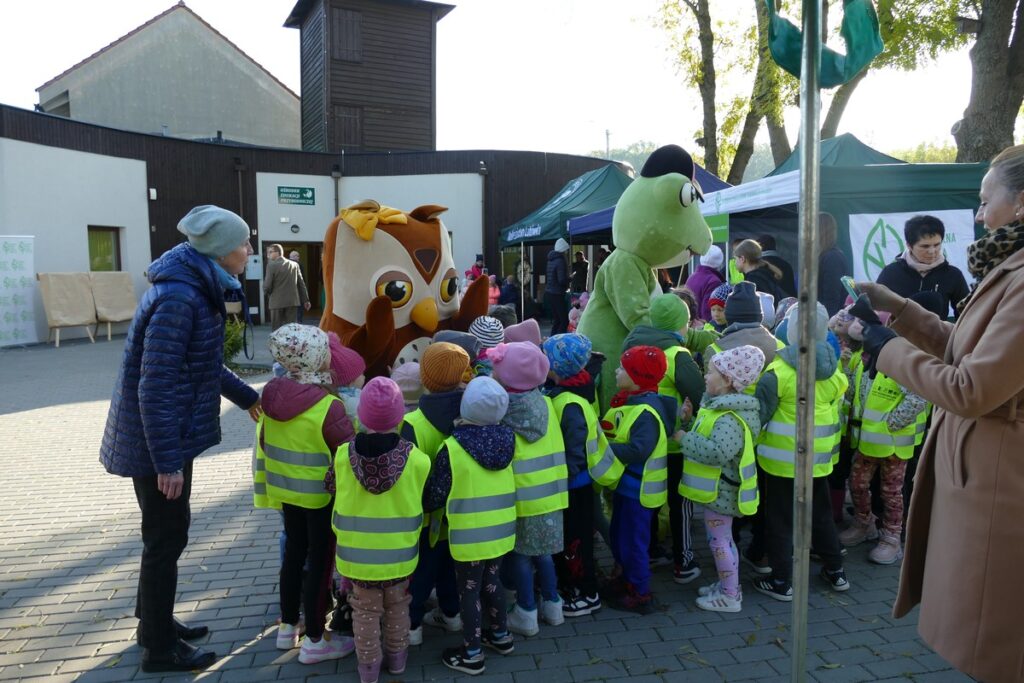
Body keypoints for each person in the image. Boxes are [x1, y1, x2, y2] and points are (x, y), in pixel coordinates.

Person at [850, 144, 1024, 683]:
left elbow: (972, 387)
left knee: (995, 646)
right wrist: (898, 310)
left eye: (983, 199)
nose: (977, 214)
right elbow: (963, 347)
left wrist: (882, 345)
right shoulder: (1009, 267)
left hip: (1002, 487)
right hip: (984, 477)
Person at [100, 205, 260, 673]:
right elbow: (157, 384)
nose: (248, 250)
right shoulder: (180, 299)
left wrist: (249, 396)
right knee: (165, 540)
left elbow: (202, 363)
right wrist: (167, 462)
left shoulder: (194, 287)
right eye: (243, 244)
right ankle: (160, 649)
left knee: (165, 536)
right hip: (156, 445)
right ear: (219, 251)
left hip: (162, 439)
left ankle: (153, 623)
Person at [261, 324, 356, 664]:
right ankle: (316, 639)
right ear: (317, 357)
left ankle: (288, 626)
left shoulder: (271, 396)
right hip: (320, 498)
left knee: (292, 556)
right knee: (320, 562)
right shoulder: (327, 406)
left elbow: (263, 441)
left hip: (286, 492)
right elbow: (347, 450)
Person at [750, 303, 849, 601]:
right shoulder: (835, 370)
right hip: (818, 459)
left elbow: (759, 417)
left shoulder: (777, 373)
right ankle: (836, 570)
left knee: (779, 519)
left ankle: (782, 580)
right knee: (820, 514)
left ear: (790, 331)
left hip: (781, 461)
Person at [423, 377, 517, 675]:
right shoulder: (508, 439)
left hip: (469, 534)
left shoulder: (452, 447)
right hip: (500, 528)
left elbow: (436, 494)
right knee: (493, 581)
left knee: (469, 590)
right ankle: (501, 635)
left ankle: (472, 652)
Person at [622, 295, 705, 585]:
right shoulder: (677, 354)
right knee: (680, 500)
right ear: (681, 325)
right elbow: (700, 393)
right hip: (673, 441)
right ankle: (684, 560)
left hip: (643, 439)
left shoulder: (633, 344)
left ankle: (651, 550)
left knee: (650, 500)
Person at [679, 345, 765, 613]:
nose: (705, 376)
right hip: (719, 491)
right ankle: (729, 585)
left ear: (728, 380)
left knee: (719, 542)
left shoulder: (729, 418)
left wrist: (684, 438)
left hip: (722, 492)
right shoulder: (720, 409)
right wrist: (689, 421)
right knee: (722, 540)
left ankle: (730, 596)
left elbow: (717, 452)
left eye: (712, 372)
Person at [490, 342, 567, 636]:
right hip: (551, 496)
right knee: (544, 554)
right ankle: (553, 603)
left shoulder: (502, 411)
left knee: (521, 556)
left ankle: (526, 611)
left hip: (521, 498)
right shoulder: (547, 404)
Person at [837, 324, 928, 565]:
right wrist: (846, 370)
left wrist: (891, 424)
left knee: (891, 492)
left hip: (894, 446)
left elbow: (918, 397)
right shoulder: (864, 364)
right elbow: (852, 394)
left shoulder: (898, 367)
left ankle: (891, 537)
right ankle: (864, 523)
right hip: (867, 443)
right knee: (856, 483)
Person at [401, 342, 471, 645]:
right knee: (447, 567)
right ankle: (452, 613)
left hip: (427, 518)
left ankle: (413, 625)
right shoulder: (474, 412)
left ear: (425, 379)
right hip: (463, 513)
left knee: (422, 572)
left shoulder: (412, 423)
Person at [602, 346, 674, 614]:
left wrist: (603, 449)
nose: (617, 371)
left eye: (623, 368)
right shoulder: (632, 401)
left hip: (640, 490)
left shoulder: (645, 411)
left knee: (634, 542)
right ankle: (624, 578)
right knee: (619, 535)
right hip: (627, 487)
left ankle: (640, 592)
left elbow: (638, 450)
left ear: (638, 376)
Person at [542, 333, 604, 617]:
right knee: (570, 538)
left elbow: (575, 447)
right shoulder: (569, 391)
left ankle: (586, 593)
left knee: (576, 541)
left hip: (575, 484)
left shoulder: (569, 402)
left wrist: (565, 476)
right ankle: (573, 585)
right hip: (572, 481)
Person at [875, 215, 970, 319]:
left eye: (937, 245)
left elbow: (967, 315)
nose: (932, 251)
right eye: (925, 246)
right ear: (909, 245)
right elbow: (875, 312)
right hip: (898, 334)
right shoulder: (890, 273)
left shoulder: (953, 274)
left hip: (937, 334)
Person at [264, 243, 310, 330]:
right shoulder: (295, 265)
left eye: (270, 252)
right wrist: (306, 300)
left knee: (277, 330)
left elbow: (267, 285)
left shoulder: (271, 265)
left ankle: (278, 344)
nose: (268, 255)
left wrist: (267, 293)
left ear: (277, 252)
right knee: (291, 330)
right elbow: (301, 284)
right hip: (292, 302)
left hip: (276, 302)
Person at [817, 213, 853, 316]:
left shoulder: (832, 258)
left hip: (830, 322)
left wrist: (828, 327)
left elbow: (832, 298)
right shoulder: (826, 256)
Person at [733, 239, 785, 303]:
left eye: (735, 259)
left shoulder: (753, 281)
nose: (734, 262)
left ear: (742, 259)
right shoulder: (764, 274)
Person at [685, 245, 726, 321]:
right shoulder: (714, 281)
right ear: (719, 262)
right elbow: (708, 312)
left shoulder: (692, 276)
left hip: (690, 323)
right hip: (702, 327)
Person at [545, 238, 571, 335]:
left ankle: (551, 341)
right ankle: (559, 342)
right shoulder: (560, 261)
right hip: (557, 293)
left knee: (557, 320)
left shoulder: (550, 260)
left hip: (549, 292)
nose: (566, 252)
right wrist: (570, 278)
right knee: (564, 320)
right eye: (566, 250)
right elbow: (561, 280)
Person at [289, 250, 305, 322]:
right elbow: (302, 280)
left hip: (289, 293)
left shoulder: (285, 264)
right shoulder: (299, 265)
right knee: (299, 311)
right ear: (293, 257)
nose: (298, 257)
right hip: (298, 291)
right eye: (297, 256)